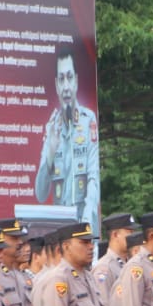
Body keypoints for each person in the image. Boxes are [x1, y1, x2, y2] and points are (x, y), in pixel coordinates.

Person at [34, 45, 100, 232]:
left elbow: (94, 178)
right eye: (61, 79)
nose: (66, 87)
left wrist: (87, 219)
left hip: (84, 224)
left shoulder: (88, 121)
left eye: (69, 78)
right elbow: (40, 194)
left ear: (76, 81)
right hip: (60, 231)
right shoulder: (52, 127)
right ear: (56, 85)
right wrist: (51, 151)